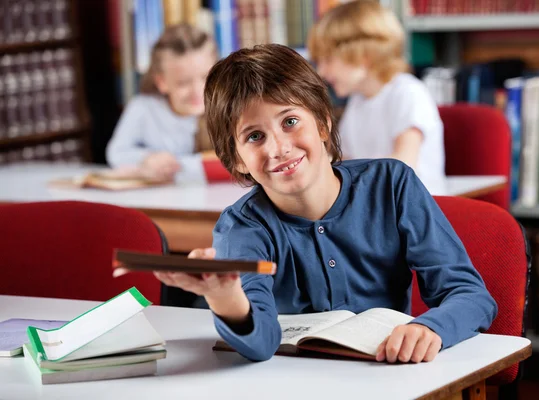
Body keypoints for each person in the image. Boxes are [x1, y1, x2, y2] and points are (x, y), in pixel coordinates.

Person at [130, 44, 497, 364]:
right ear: (237, 159)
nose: (278, 148)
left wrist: (429, 328)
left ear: (322, 123)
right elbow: (260, 344)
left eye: (290, 121)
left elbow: (470, 296)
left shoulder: (392, 184)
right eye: (254, 136)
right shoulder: (240, 227)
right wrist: (226, 296)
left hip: (390, 378)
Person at [307, 0, 445, 192]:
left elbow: (403, 165)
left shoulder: (407, 92)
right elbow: (346, 161)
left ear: (364, 55)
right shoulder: (358, 101)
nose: (321, 72)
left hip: (413, 209)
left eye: (328, 60)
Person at [105, 23, 224, 182]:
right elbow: (115, 153)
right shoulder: (142, 108)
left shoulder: (226, 107)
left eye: (205, 77)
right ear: (162, 82)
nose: (197, 90)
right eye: (183, 83)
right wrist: (147, 158)